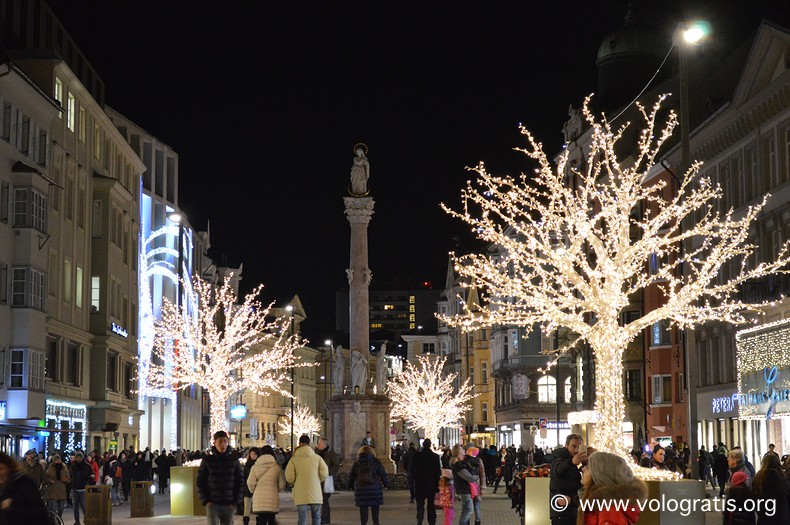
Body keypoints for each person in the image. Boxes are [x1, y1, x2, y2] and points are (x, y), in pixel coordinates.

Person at [579, 451, 647, 525]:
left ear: (600, 475)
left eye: (588, 467)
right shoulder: (603, 505)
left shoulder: (608, 511)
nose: (583, 469)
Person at [197, 430, 244, 525]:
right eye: (220, 441)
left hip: (229, 504)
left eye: (225, 441)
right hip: (212, 504)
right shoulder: (207, 460)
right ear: (215, 443)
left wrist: (236, 502)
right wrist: (206, 501)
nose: (223, 444)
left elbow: (240, 481)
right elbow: (200, 481)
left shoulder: (233, 460)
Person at [285, 434, 329, 525]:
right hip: (315, 491)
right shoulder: (317, 458)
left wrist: (296, 482)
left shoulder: (294, 459)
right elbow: (325, 473)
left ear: (299, 443)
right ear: (309, 444)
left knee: (302, 517)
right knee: (316, 516)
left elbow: (289, 476)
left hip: (300, 492)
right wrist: (317, 480)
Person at [0, 452, 49, 525]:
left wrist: (12, 505)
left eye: (1, 469)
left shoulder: (23, 484)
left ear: (8, 468)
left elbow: (39, 514)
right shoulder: (4, 487)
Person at [549, 433, 587, 525]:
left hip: (569, 508)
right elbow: (558, 470)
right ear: (566, 446)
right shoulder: (560, 457)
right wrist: (571, 462)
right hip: (562, 509)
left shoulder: (573, 461)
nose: (576, 450)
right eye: (573, 446)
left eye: (579, 447)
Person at [348, 445, 389, 525]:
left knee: (363, 511)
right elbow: (383, 474)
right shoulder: (376, 462)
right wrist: (386, 484)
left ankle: (364, 523)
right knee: (375, 510)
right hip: (375, 489)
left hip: (361, 490)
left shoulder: (357, 463)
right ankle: (376, 523)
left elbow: (352, 476)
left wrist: (350, 486)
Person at [248, 445, 286, 525]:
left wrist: (254, 491)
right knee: (272, 519)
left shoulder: (255, 467)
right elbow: (282, 484)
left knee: (261, 520)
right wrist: (276, 490)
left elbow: (250, 482)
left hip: (259, 497)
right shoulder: (277, 467)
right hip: (273, 496)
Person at [750, 453, 789, 525]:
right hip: (781, 515)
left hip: (764, 514)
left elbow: (754, 497)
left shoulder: (758, 478)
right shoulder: (782, 477)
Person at [410, 438, 441, 525]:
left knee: (420, 504)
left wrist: (415, 479)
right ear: (430, 445)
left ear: (423, 445)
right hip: (431, 484)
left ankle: (419, 519)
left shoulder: (417, 456)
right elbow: (437, 472)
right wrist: (438, 485)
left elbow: (412, 469)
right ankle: (432, 522)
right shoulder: (435, 457)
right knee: (431, 506)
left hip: (420, 484)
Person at [450, 444, 478, 525]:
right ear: (458, 452)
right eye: (462, 449)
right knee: (469, 509)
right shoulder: (457, 464)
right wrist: (475, 477)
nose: (464, 450)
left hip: (463, 488)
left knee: (466, 509)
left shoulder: (458, 462)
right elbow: (468, 476)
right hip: (464, 489)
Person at [316, 437, 340, 525]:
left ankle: (324, 519)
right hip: (318, 479)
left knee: (324, 499)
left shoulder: (331, 454)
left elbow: (336, 465)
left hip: (326, 479)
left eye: (319, 443)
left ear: (324, 444)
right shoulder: (317, 453)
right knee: (322, 499)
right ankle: (325, 519)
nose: (318, 445)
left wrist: (329, 473)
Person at [69, 451, 95, 525]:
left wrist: (90, 479)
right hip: (74, 489)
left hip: (83, 489)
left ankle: (86, 520)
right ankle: (77, 521)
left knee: (84, 506)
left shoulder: (87, 466)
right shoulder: (72, 467)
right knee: (75, 507)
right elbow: (70, 476)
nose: (78, 459)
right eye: (77, 457)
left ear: (82, 458)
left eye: (80, 457)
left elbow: (92, 475)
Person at [243, 448, 260, 525]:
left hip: (257, 488)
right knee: (247, 506)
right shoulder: (247, 464)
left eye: (255, 454)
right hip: (247, 488)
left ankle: (258, 521)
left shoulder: (259, 464)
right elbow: (244, 476)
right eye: (251, 454)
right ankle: (246, 522)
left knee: (257, 507)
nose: (253, 456)